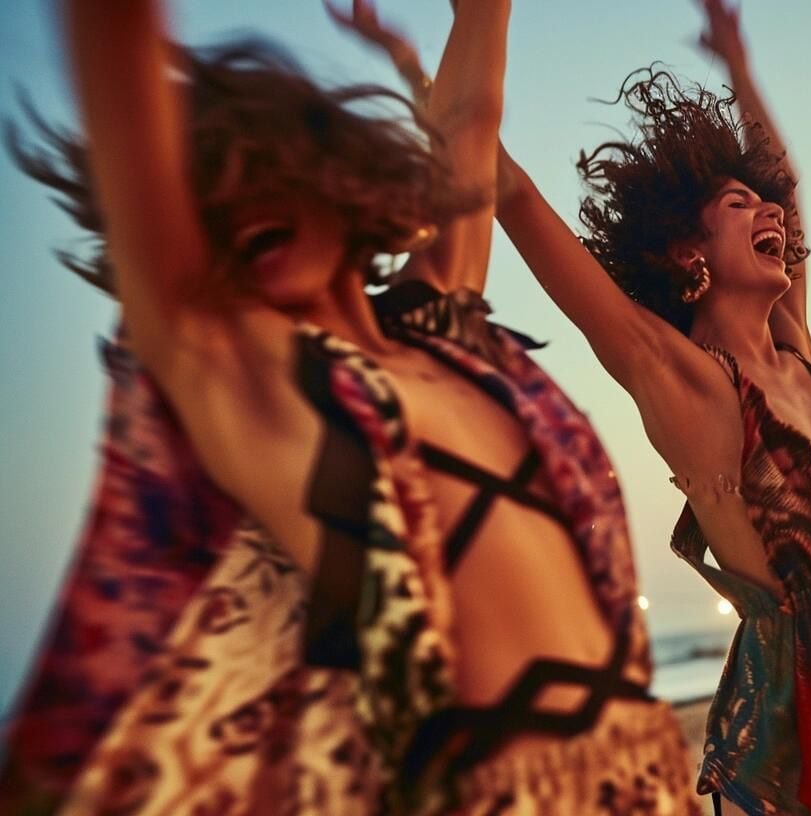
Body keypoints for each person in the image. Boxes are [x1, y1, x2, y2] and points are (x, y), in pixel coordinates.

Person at [0, 1, 698, 812]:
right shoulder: (254, 383)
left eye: (258, 167)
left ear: (331, 172)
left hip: (650, 777)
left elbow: (469, 121)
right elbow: (123, 82)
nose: (236, 205)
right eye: (205, 204)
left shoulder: (442, 328)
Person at [490, 1, 811, 812]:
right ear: (688, 252)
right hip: (795, 725)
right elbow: (513, 198)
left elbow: (784, 182)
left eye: (766, 207)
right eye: (737, 206)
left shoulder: (797, 353)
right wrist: (465, 63)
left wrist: (737, 62)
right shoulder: (684, 381)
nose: (771, 213)